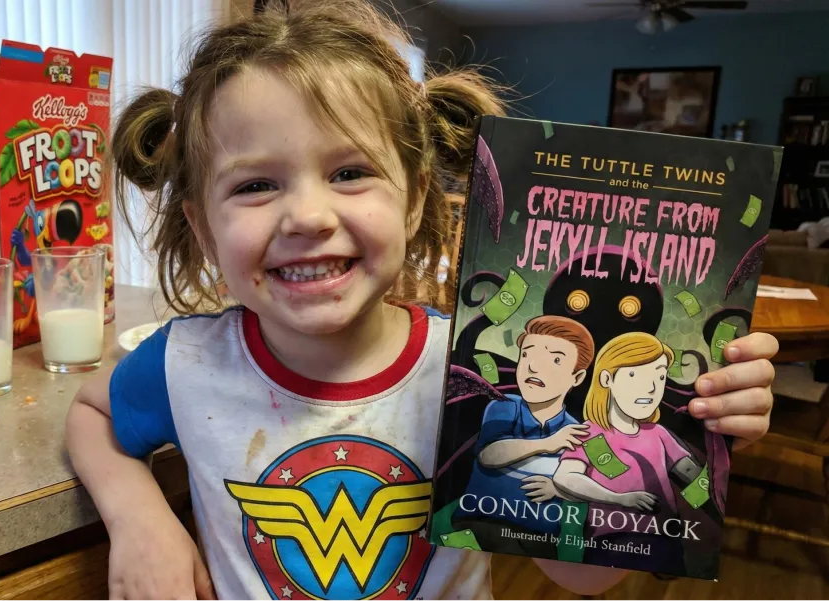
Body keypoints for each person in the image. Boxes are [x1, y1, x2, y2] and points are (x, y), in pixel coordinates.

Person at [64, 1, 779, 598]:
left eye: (349, 172)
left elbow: (581, 573)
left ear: (412, 200)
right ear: (202, 227)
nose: (307, 215)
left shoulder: (476, 375)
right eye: (255, 185)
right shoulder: (184, 363)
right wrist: (137, 516)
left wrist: (700, 431)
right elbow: (92, 414)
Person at [553, 332, 710, 573]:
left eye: (660, 377)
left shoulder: (658, 433)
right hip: (610, 542)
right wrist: (619, 498)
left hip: (664, 539)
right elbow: (565, 477)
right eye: (636, 375)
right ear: (607, 379)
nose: (651, 388)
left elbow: (692, 476)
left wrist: (719, 460)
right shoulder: (589, 433)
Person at [452, 316, 593, 554]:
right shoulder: (504, 406)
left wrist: (559, 490)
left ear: (577, 378)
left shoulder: (577, 430)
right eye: (527, 354)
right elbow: (488, 455)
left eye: (555, 360)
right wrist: (547, 443)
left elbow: (588, 486)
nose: (533, 366)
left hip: (540, 538)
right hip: (483, 524)